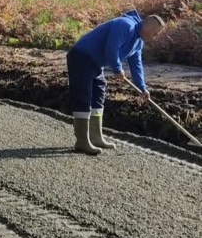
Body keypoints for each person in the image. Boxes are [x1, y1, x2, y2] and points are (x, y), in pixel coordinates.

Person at [66, 10, 165, 155]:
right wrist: (117, 68)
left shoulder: (138, 43)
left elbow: (136, 66)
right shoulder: (125, 25)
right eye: (155, 33)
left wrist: (142, 88)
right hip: (81, 56)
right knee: (84, 96)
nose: (155, 37)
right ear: (147, 26)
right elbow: (111, 48)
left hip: (95, 63)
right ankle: (82, 141)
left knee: (98, 93)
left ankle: (95, 136)